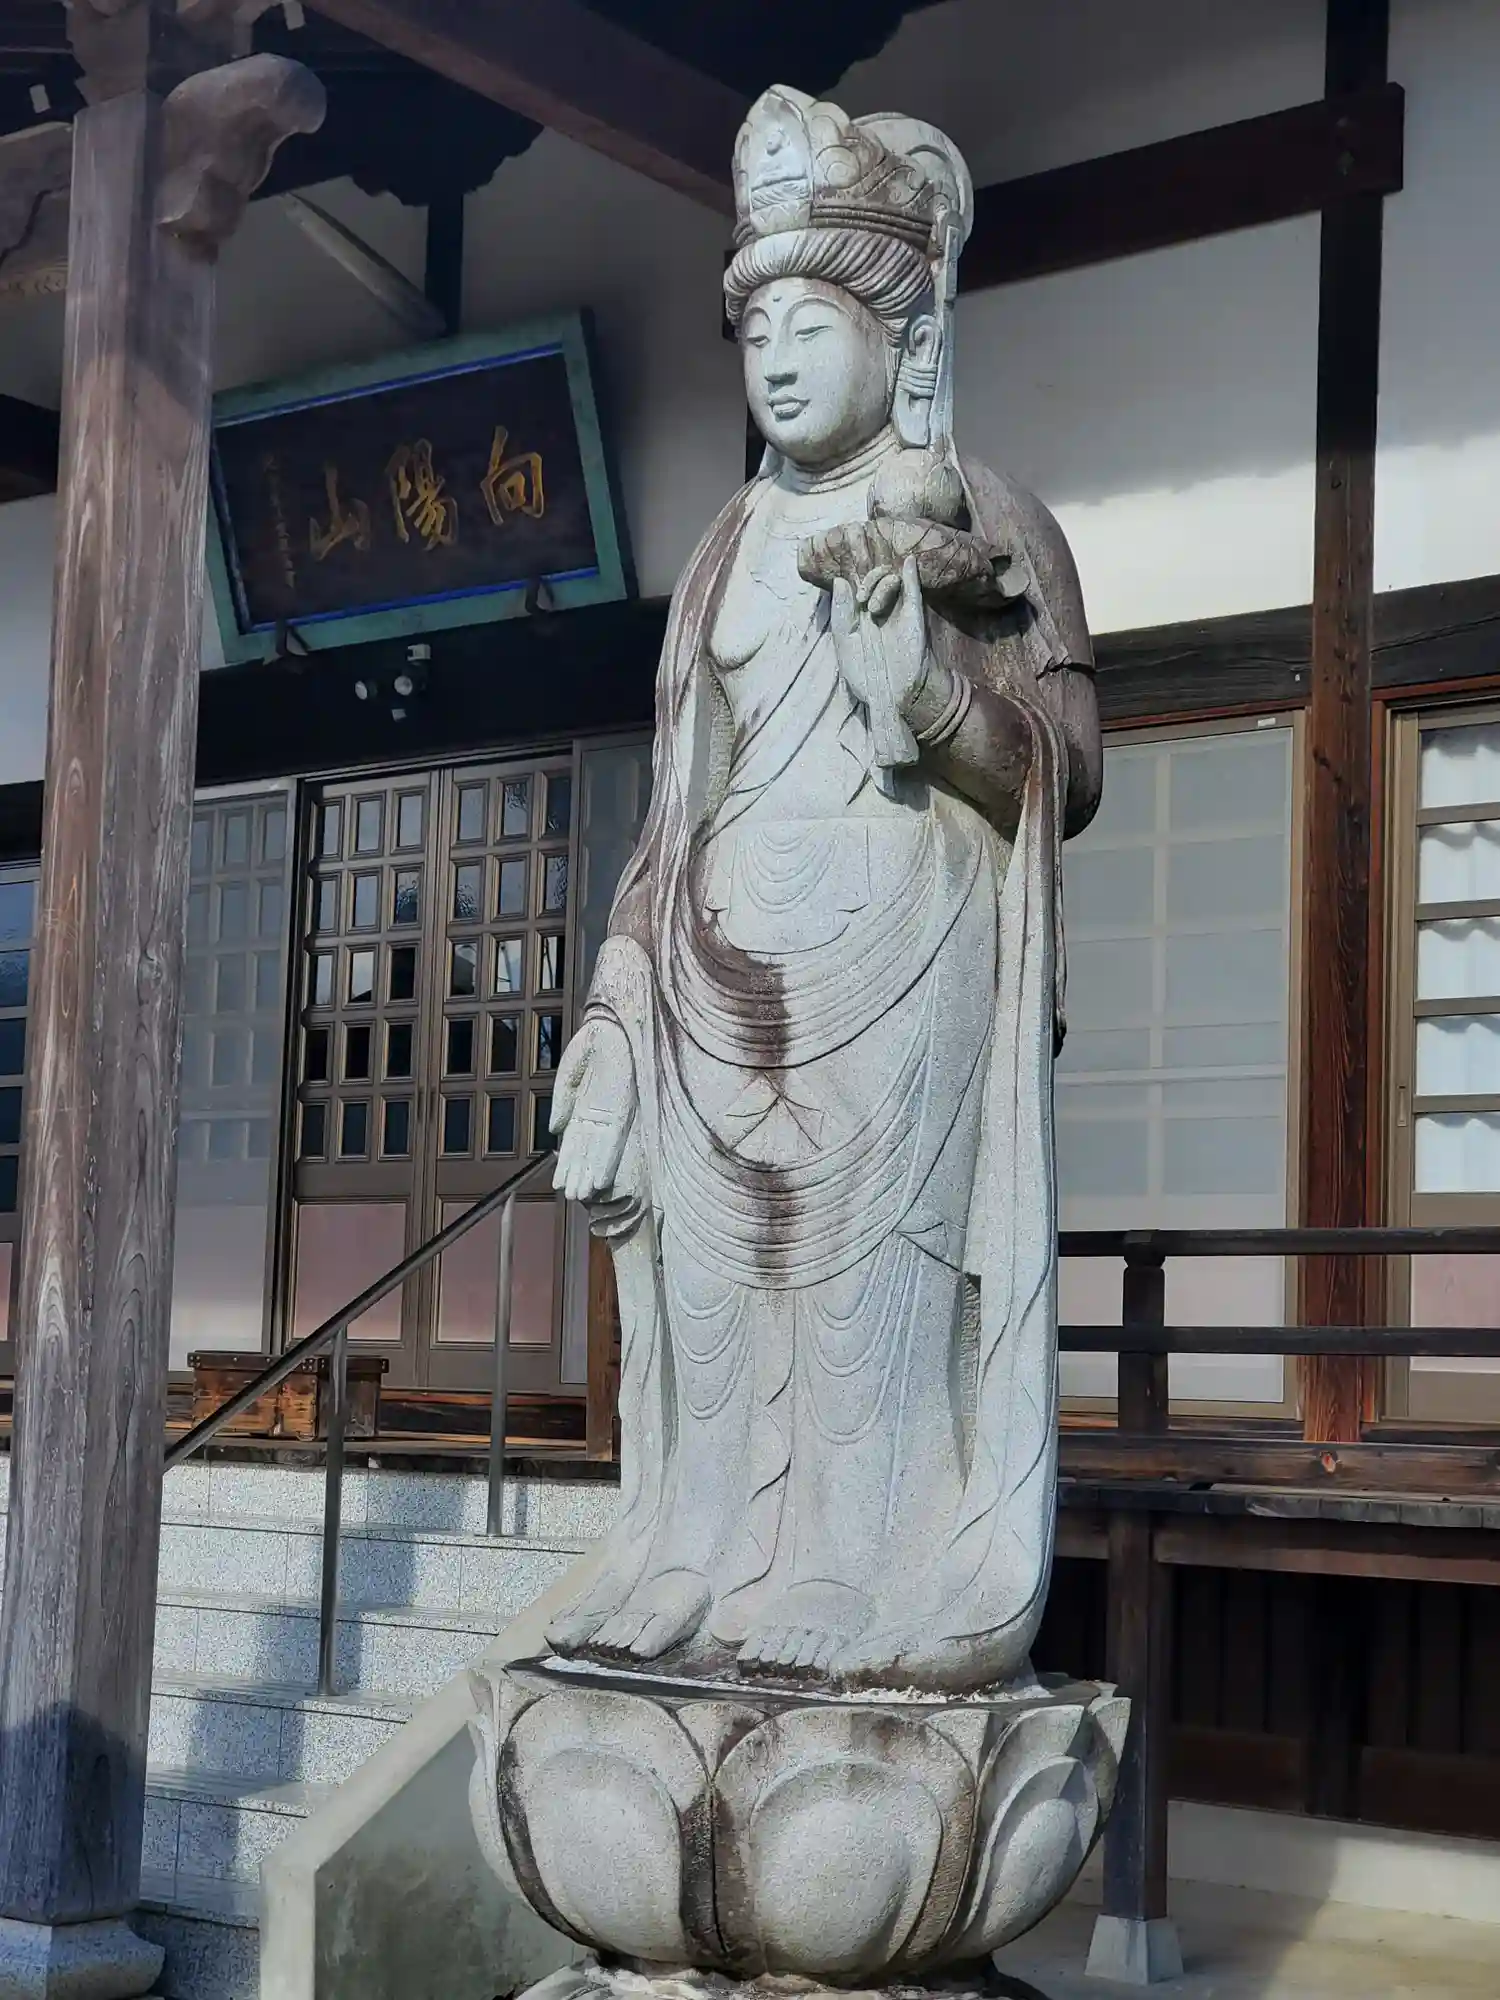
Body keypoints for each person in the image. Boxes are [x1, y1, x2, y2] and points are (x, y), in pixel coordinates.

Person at [545, 85, 1101, 1692]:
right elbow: (673, 811)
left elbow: (1070, 763)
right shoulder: (723, 549)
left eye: (813, 324)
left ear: (902, 335)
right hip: (716, 968)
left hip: (906, 954)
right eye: (757, 332)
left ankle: (866, 1563)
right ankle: (698, 1550)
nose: (777, 361)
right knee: (713, 1303)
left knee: (871, 1297)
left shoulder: (989, 521)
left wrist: (928, 693)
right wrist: (612, 1016)